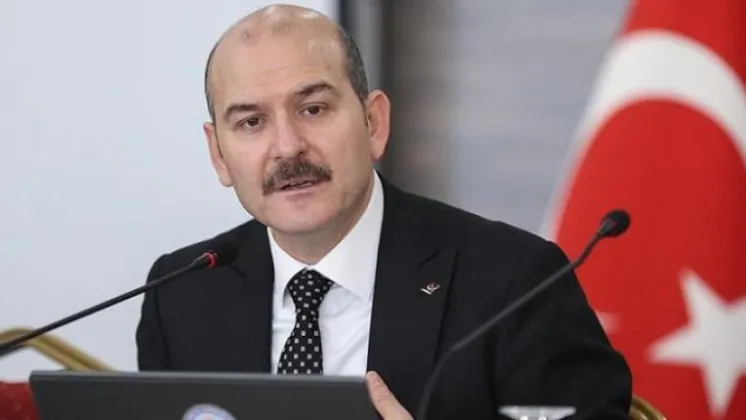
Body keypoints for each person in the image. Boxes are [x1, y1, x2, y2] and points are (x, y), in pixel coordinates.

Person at [136, 4, 633, 419]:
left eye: (313, 109)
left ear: (373, 123)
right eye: (251, 122)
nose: (287, 148)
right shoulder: (181, 295)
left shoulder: (514, 283)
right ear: (219, 155)